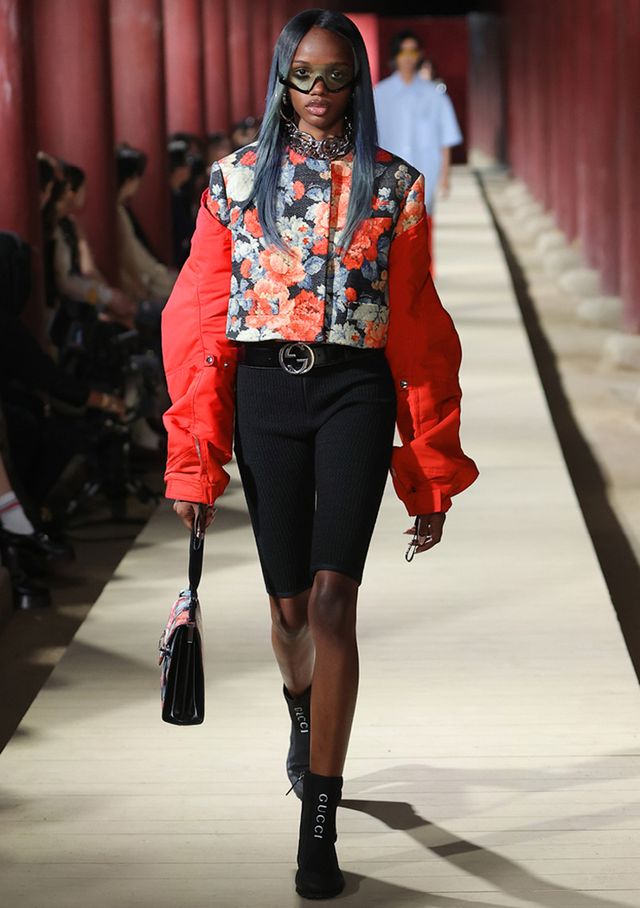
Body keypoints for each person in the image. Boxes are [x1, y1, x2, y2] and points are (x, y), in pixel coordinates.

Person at [161, 9, 478, 900]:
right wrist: (194, 457)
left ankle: (321, 821)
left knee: (336, 602)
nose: (319, 92)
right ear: (281, 78)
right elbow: (196, 321)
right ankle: (302, 713)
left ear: (358, 83)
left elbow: (418, 328)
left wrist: (430, 468)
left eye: (337, 76)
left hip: (354, 393)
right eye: (303, 74)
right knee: (290, 608)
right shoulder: (233, 182)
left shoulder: (395, 185)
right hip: (266, 395)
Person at [374, 30, 463, 272]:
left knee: (423, 231)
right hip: (387, 176)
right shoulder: (379, 94)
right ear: (394, 55)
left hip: (426, 173)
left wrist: (445, 177)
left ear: (420, 55)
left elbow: (445, 139)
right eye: (403, 51)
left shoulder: (434, 95)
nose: (408, 57)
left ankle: (424, 283)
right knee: (389, 234)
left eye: (413, 51)